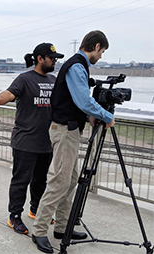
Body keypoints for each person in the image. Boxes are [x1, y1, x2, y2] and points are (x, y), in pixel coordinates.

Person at [32, 30, 115, 253]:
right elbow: (84, 100)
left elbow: (75, 101)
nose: (101, 56)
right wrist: (107, 116)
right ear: (96, 46)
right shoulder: (77, 66)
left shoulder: (76, 65)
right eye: (103, 51)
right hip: (65, 131)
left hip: (70, 129)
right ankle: (39, 230)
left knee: (70, 180)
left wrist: (89, 116)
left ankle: (61, 228)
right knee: (59, 182)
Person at [0, 43, 64, 234]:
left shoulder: (54, 80)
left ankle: (35, 209)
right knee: (20, 181)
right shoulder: (24, 79)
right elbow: (9, 93)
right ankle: (14, 216)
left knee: (40, 181)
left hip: (47, 142)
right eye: (51, 58)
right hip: (25, 142)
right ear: (40, 59)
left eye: (56, 58)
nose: (55, 61)